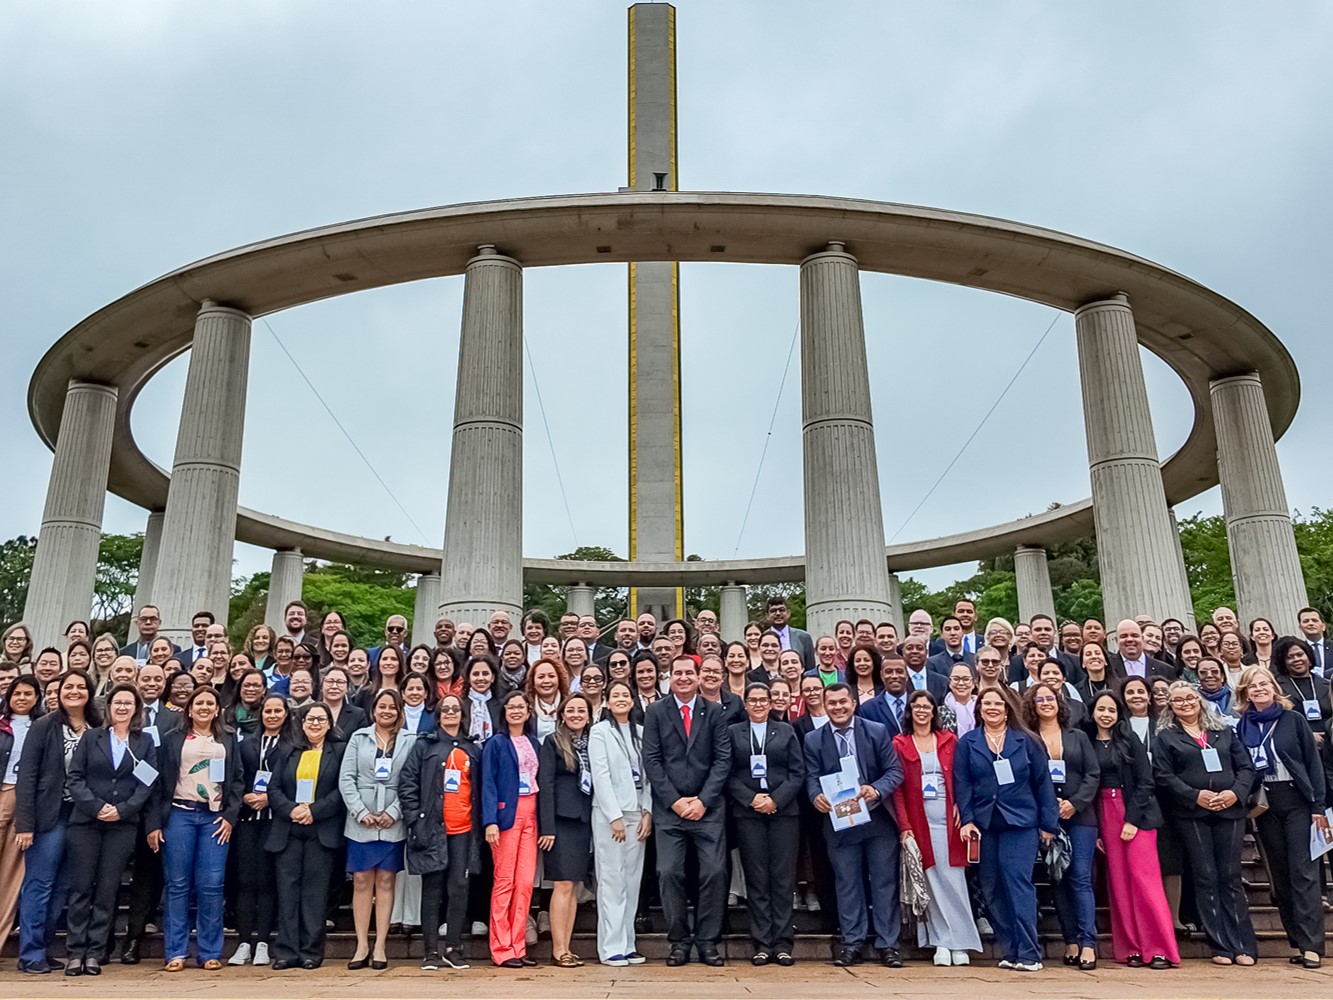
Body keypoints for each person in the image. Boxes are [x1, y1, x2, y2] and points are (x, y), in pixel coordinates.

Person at [1153, 679, 1258, 965]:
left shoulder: (1222, 731)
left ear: (1199, 701)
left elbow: (1246, 767)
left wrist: (1235, 793)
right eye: (1178, 701)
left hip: (1229, 811)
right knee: (1205, 876)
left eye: (1190, 698)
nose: (1186, 704)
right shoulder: (1166, 737)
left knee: (1230, 877)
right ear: (1171, 707)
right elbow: (1163, 775)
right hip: (1192, 814)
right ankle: (1221, 946)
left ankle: (1243, 945)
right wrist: (1194, 795)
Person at [954, 687, 1058, 972]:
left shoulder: (1028, 741)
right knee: (991, 886)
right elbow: (962, 785)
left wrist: (1049, 823)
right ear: (979, 710)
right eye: (985, 704)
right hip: (985, 825)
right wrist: (968, 820)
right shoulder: (968, 742)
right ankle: (1010, 950)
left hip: (1021, 823)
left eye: (997, 703)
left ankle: (1029, 952)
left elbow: (1043, 783)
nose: (991, 708)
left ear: (1008, 707)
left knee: (1017, 883)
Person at [804, 682, 904, 967]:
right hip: (840, 822)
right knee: (847, 883)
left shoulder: (876, 731)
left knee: (884, 883)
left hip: (877, 820)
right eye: (832, 703)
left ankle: (888, 945)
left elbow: (894, 771)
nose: (838, 707)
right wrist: (816, 796)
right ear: (825, 705)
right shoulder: (813, 739)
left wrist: (876, 789)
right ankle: (852, 943)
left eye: (842, 702)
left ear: (854, 702)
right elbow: (811, 776)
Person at [642, 654, 732, 967]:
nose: (682, 677)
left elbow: (723, 760)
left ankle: (707, 941)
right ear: (669, 677)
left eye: (688, 673)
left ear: (697, 677)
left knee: (715, 872)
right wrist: (675, 801)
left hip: (708, 809)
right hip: (670, 810)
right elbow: (651, 760)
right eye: (677, 672)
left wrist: (703, 800)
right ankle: (679, 941)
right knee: (668, 872)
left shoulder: (715, 712)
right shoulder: (656, 712)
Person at [1235, 667, 1328, 967]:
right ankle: (1297, 942)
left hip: (1297, 800)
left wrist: (1318, 805)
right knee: (1281, 875)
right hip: (1264, 804)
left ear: (1274, 687)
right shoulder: (1243, 726)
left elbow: (1313, 763)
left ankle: (1313, 945)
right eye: (1253, 686)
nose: (1259, 689)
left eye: (1264, 684)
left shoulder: (1293, 720)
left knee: (1303, 872)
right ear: (1245, 693)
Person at [63, 683, 157, 977]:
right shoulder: (92, 738)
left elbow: (148, 783)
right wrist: (96, 806)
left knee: (107, 890)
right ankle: (75, 952)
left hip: (122, 826)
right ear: (109, 707)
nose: (122, 707)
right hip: (86, 823)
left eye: (128, 703)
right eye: (118, 702)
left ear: (136, 709)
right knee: (81, 889)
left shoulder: (144, 743)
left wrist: (123, 809)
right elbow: (75, 778)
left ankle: (95, 952)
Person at [148, 684, 242, 972]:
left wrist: (230, 816)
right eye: (198, 703)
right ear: (189, 708)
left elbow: (237, 779)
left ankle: (209, 952)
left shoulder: (227, 739)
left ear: (217, 710)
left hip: (215, 819)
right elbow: (158, 781)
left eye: (210, 704)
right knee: (177, 886)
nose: (204, 708)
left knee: (211, 886)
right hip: (179, 815)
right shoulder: (172, 738)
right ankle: (175, 952)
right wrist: (153, 824)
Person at [16, 669, 100, 974]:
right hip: (50, 816)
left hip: (85, 818)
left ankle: (45, 946)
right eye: (68, 687)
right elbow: (26, 776)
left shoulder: (97, 727)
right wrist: (25, 824)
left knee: (65, 886)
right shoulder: (43, 726)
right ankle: (30, 952)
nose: (74, 691)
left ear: (89, 692)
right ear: (58, 692)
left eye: (81, 686)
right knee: (39, 885)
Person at [1086, 690, 1178, 968]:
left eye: (1111, 710)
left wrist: (1132, 820)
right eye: (1101, 709)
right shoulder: (1087, 742)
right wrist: (1100, 830)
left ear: (1119, 714)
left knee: (1144, 883)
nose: (1106, 714)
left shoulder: (1130, 740)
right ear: (1092, 713)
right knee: (1119, 885)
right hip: (1104, 813)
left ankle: (1160, 948)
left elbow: (1146, 782)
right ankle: (1132, 949)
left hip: (1136, 814)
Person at [891, 689, 981, 966]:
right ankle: (941, 941)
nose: (921, 711)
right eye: (916, 706)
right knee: (929, 883)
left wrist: (963, 810)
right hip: (919, 822)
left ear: (934, 711)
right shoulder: (899, 743)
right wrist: (905, 826)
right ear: (910, 711)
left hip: (949, 820)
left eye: (926, 706)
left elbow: (964, 778)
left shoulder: (949, 740)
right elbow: (898, 791)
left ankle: (961, 941)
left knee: (953, 881)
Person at [1021, 683, 1099, 970]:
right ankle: (1071, 941)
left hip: (1081, 817)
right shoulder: (1027, 739)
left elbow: (1093, 774)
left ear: (1059, 702)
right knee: (1058, 878)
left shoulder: (1078, 736)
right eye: (1039, 699)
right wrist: (1048, 809)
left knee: (1079, 877)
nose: (1045, 702)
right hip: (1045, 818)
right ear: (1032, 705)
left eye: (1050, 698)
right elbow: (1024, 778)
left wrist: (1075, 803)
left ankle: (1088, 942)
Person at [400, 693, 479, 971]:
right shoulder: (425, 745)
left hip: (464, 829)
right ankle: (430, 951)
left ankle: (453, 948)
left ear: (462, 713)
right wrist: (414, 820)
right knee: (432, 888)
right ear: (438, 715)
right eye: (445, 709)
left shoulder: (473, 748)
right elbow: (407, 782)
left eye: (455, 709)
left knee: (459, 887)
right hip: (432, 828)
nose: (450, 713)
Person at [727, 682, 804, 966]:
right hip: (748, 814)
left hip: (783, 814)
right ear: (745, 704)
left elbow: (798, 772)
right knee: (757, 879)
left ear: (772, 703)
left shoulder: (786, 730)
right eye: (753, 700)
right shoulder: (734, 732)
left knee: (782, 879)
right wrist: (751, 799)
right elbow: (729, 773)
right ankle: (761, 943)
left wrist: (775, 800)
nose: (758, 705)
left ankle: (783, 943)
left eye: (763, 700)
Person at [265, 702, 346, 970]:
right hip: (288, 829)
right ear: (302, 723)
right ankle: (287, 951)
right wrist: (292, 810)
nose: (315, 724)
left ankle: (311, 950)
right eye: (310, 719)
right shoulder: (288, 752)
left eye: (321, 720)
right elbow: (274, 788)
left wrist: (314, 811)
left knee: (315, 893)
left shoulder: (340, 752)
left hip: (320, 829)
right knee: (287, 891)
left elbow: (340, 791)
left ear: (329, 724)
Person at [340, 689, 415, 970]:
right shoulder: (359, 738)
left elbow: (411, 779)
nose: (386, 711)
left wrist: (393, 812)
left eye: (392, 708)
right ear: (373, 710)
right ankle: (361, 944)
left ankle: (381, 944)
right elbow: (346, 778)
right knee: (361, 880)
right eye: (381, 707)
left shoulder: (410, 740)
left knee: (385, 880)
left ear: (399, 711)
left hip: (393, 821)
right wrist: (361, 811)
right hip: (361, 821)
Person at [588, 679, 652, 967]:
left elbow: (650, 775)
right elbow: (600, 776)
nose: (621, 699)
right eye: (616, 695)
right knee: (612, 880)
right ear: (607, 701)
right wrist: (613, 815)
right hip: (609, 816)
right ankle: (611, 946)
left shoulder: (641, 733)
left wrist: (648, 812)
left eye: (626, 694)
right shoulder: (599, 732)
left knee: (631, 880)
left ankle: (628, 943)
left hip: (638, 813)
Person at [228, 694, 292, 967]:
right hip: (246, 820)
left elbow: (292, 782)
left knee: (267, 882)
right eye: (268, 710)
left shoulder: (292, 746)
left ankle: (264, 942)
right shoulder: (246, 743)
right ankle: (244, 942)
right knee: (245, 881)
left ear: (287, 714)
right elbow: (235, 775)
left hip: (274, 820)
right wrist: (243, 796)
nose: (273, 715)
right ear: (261, 713)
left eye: (278, 710)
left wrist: (270, 799)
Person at [482, 690, 541, 968]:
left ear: (529, 712)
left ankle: (518, 946)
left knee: (525, 883)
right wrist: (490, 820)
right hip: (506, 819)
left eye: (521, 707)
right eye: (511, 707)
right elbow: (488, 784)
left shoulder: (533, 742)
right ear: (504, 712)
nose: (516, 711)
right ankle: (501, 948)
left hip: (532, 818)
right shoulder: (496, 743)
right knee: (504, 882)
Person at [538, 694, 595, 967]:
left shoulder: (593, 741)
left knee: (573, 886)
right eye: (570, 710)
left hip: (584, 819)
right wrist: (547, 827)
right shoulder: (552, 742)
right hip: (560, 821)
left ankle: (568, 946)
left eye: (580, 710)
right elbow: (545, 785)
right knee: (561, 884)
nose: (575, 715)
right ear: (561, 715)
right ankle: (558, 949)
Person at [0, 675, 40, 956]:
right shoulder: (2, 725)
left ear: (37, 697)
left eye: (28, 693)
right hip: (2, 791)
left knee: (11, 875)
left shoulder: (43, 726)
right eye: (18, 693)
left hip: (26, 799)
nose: (22, 698)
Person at [1272, 636, 1330, 742]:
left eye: (1300, 654)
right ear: (1283, 662)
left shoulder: (1327, 684)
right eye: (1290, 657)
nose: (1296, 659)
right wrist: (1308, 736)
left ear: (1309, 657)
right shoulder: (1277, 688)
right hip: (1297, 743)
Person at [944, 662, 978, 736]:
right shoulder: (940, 712)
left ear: (974, 683)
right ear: (950, 683)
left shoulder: (981, 709)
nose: (961, 683)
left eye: (966, 679)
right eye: (956, 679)